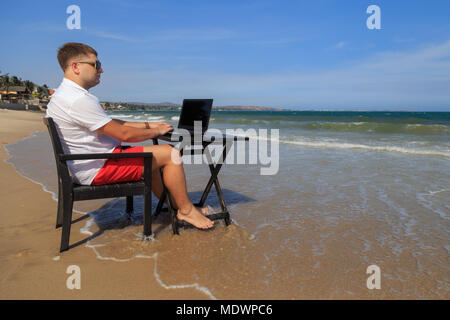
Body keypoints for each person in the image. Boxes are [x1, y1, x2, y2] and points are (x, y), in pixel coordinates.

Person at [46, 42, 213, 229]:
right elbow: (124, 134)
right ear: (75, 66)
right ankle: (187, 211)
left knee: (156, 157)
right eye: (96, 65)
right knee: (170, 153)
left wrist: (149, 125)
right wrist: (155, 131)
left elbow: (113, 123)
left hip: (89, 163)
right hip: (98, 167)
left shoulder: (65, 94)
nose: (101, 70)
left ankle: (178, 206)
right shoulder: (78, 99)